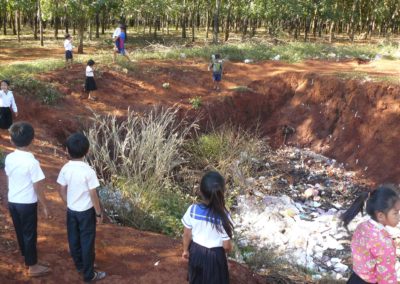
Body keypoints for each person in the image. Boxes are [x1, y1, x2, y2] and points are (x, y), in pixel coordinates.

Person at [57, 132, 106, 282]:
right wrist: (98, 213)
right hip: (86, 213)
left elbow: (61, 189)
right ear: (87, 151)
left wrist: (68, 203)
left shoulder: (65, 168)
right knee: (87, 241)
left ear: (67, 150)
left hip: (72, 211)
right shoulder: (88, 171)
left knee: (74, 238)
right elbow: (93, 194)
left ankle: (80, 265)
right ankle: (89, 274)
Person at [5, 122, 51, 277]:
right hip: (27, 204)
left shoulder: (9, 158)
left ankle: (28, 257)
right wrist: (44, 205)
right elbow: (38, 187)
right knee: (30, 233)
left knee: (20, 230)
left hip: (13, 201)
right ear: (32, 140)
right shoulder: (32, 163)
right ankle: (33, 266)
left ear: (11, 141)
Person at [181, 171, 233, 284]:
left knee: (196, 279)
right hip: (215, 257)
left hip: (196, 252)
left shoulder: (193, 210)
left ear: (201, 191)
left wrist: (185, 250)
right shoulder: (224, 216)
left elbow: (187, 234)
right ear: (222, 192)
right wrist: (226, 256)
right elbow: (226, 246)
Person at [341, 186, 400, 284]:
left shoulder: (362, 226)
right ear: (380, 215)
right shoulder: (384, 242)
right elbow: (386, 276)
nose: (399, 217)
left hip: (354, 278)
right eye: (395, 213)